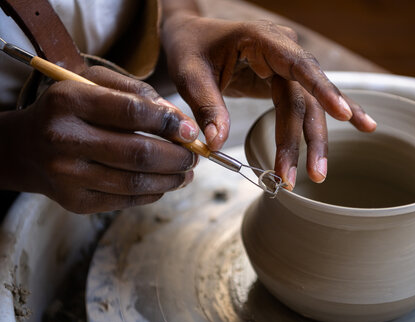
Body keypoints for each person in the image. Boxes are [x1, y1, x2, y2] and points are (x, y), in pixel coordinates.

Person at [0, 0, 376, 214]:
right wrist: (16, 152)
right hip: (18, 134)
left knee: (313, 69)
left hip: (144, 40)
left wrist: (180, 20)